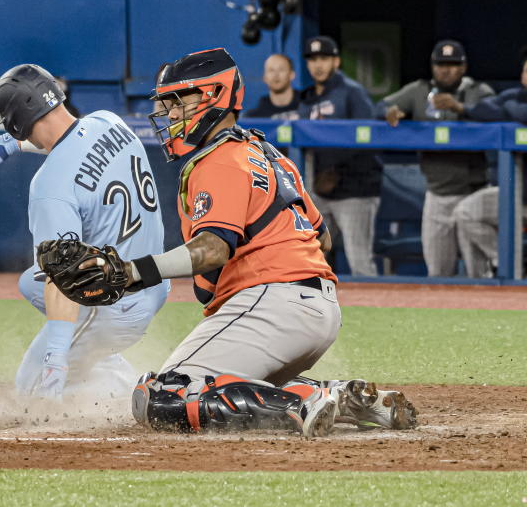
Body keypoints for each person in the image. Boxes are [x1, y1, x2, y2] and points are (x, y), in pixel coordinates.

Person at [49, 48, 416, 435]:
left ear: (214, 96)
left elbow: (212, 249)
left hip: (272, 302)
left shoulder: (218, 158)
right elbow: (321, 238)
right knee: (229, 388)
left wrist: (132, 271)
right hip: (317, 307)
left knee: (166, 396)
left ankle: (304, 402)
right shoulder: (267, 152)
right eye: (167, 104)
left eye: (179, 101)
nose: (171, 114)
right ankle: (348, 399)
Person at [0, 64, 170, 400]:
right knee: (30, 282)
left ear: (17, 122)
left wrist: (56, 358)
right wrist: (13, 145)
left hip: (115, 306)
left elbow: (62, 275)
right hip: (156, 282)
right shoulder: (109, 121)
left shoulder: (49, 185)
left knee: (29, 394)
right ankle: (97, 354)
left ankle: (122, 387)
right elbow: (70, 139)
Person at [380, 40, 495, 277]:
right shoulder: (419, 91)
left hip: (473, 192)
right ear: (433, 66)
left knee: (478, 275)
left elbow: (494, 113)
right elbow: (381, 105)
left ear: (463, 67)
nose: (446, 69)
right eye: (441, 64)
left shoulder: (478, 91)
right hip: (437, 196)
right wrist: (388, 112)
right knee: (438, 274)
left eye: (453, 64)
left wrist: (461, 108)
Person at [299, 36, 382, 277]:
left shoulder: (352, 93)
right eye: (313, 59)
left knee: (359, 262)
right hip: (320, 192)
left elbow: (369, 138)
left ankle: (376, 312)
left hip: (356, 190)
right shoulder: (308, 98)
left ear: (336, 61)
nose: (318, 65)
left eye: (324, 58)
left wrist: (337, 169)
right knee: (309, 258)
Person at [455, 52, 527, 278]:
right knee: (465, 212)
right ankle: (492, 268)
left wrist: (508, 112)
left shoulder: (512, 102)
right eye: (526, 70)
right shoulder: (513, 95)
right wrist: (511, 111)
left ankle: (512, 270)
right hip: (517, 195)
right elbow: (480, 109)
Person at [244, 53, 300, 120]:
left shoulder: (309, 108)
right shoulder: (253, 118)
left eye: (281, 69)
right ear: (264, 78)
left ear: (292, 74)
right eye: (271, 70)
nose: (276, 75)